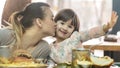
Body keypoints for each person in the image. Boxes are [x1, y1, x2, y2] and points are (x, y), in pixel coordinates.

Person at [49, 9, 118, 63]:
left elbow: (90, 33)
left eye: (70, 26)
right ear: (55, 23)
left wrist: (107, 27)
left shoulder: (76, 36)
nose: (65, 28)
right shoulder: (49, 48)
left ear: (74, 30)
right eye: (62, 23)